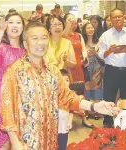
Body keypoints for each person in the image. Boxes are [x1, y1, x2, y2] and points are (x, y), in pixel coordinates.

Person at [0, 22, 121, 150]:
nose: (40, 42)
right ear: (25, 44)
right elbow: (7, 111)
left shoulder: (52, 70)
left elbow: (68, 98)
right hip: (25, 144)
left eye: (44, 38)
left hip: (51, 141)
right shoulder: (14, 72)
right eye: (35, 38)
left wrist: (95, 106)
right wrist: (16, 143)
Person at [0, 12, 26, 150]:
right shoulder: (1, 47)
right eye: (11, 22)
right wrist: (0, 29)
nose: (15, 25)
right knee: (3, 142)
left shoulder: (27, 50)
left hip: (23, 102)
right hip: (2, 102)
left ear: (23, 27)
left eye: (18, 22)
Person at [98, 8, 126, 128]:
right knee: (108, 98)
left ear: (124, 18)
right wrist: (110, 50)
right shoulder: (105, 35)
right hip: (111, 71)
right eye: (114, 17)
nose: (117, 19)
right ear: (110, 20)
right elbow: (101, 55)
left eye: (120, 16)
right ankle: (107, 124)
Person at [45, 15, 77, 150]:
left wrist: (66, 61)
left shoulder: (67, 43)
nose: (57, 27)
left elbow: (74, 64)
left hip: (62, 83)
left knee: (62, 116)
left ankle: (61, 144)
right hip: (46, 83)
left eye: (59, 24)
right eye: (54, 24)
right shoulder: (44, 41)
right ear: (48, 28)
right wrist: (54, 63)